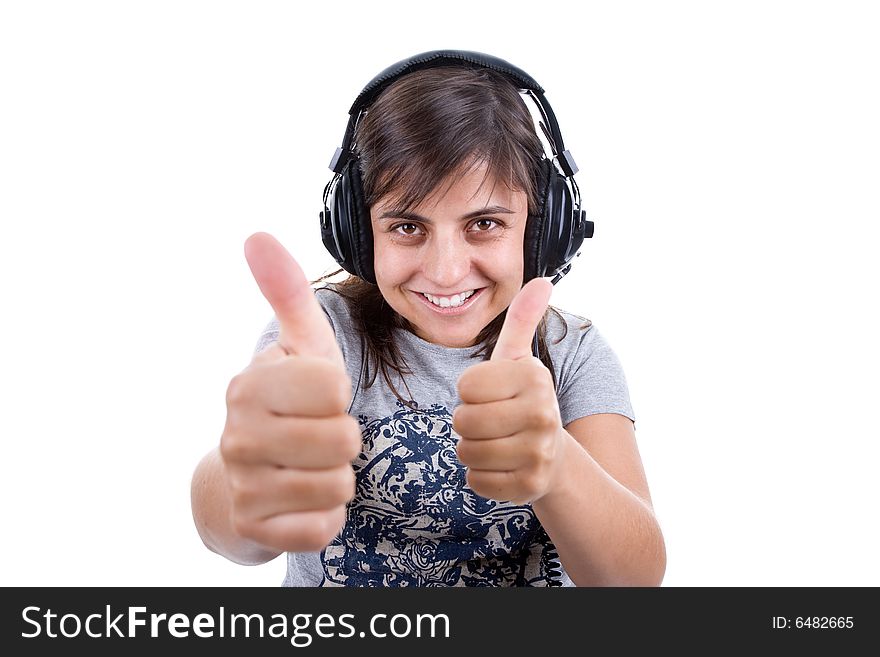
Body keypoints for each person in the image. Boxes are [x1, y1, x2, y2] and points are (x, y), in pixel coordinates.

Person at [190, 50, 666, 587]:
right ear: (359, 231)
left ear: (543, 229)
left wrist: (557, 463)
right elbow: (228, 537)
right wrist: (249, 473)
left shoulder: (572, 352)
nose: (445, 272)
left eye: (484, 223)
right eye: (408, 227)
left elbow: (634, 581)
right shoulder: (321, 340)